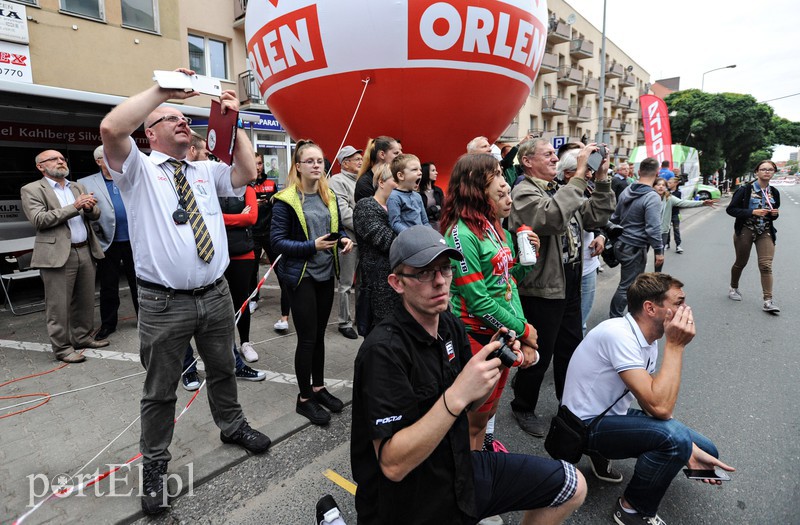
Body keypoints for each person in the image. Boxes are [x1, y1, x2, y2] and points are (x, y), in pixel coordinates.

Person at [99, 70, 271, 514]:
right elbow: (111, 129)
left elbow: (247, 172)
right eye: (169, 117)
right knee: (160, 391)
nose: (181, 121)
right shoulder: (136, 169)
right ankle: (155, 465)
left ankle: (232, 426)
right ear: (150, 132)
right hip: (163, 302)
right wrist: (161, 90)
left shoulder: (204, 170)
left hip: (214, 295)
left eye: (183, 116)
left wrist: (235, 124)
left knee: (222, 370)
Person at [351, 225, 586, 525]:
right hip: (409, 501)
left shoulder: (449, 324)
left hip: (460, 469)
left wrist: (492, 366)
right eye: (424, 273)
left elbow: (474, 406)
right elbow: (393, 465)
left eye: (445, 269)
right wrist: (458, 394)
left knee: (572, 485)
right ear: (397, 283)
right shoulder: (383, 351)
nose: (439, 281)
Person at [562, 273, 734, 525]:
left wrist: (690, 449)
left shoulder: (648, 339)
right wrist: (675, 346)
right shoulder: (618, 334)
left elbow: (649, 401)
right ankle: (632, 508)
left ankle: (606, 455)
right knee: (674, 439)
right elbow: (660, 407)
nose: (685, 309)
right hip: (582, 425)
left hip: (609, 416)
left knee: (705, 450)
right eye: (678, 302)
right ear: (651, 308)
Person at [507, 139, 614, 439]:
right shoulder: (524, 190)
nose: (556, 158)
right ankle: (522, 405)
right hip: (543, 286)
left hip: (570, 279)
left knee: (571, 349)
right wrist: (580, 174)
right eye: (549, 154)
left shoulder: (558, 189)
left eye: (556, 155)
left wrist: (602, 178)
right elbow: (550, 218)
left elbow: (596, 217)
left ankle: (570, 406)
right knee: (541, 350)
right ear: (527, 161)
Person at [441, 153, 540, 455]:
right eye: (495, 174)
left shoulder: (496, 229)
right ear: (473, 182)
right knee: (472, 416)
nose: (503, 182)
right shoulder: (460, 233)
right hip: (475, 338)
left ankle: (479, 462)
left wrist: (529, 257)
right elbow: (479, 301)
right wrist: (524, 330)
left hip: (501, 336)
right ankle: (469, 476)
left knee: (489, 409)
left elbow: (508, 283)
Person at [271, 139, 354, 426]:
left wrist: (342, 238)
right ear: (298, 166)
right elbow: (277, 242)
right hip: (301, 276)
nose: (317, 165)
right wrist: (311, 246)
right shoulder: (286, 199)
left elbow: (337, 228)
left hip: (324, 273)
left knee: (318, 335)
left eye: (320, 161)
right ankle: (304, 398)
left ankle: (318, 388)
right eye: (310, 161)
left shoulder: (327, 194)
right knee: (307, 338)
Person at [21, 150, 108, 363]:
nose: (60, 161)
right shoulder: (32, 189)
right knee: (58, 305)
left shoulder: (77, 186)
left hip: (85, 249)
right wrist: (75, 206)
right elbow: (40, 219)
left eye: (62, 158)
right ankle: (62, 348)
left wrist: (89, 208)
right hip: (57, 254)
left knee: (86, 299)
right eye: (54, 159)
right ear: (41, 166)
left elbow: (95, 215)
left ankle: (82, 337)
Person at [78, 145, 138, 341]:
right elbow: (83, 212)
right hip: (107, 241)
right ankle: (108, 324)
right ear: (99, 161)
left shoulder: (129, 178)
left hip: (134, 240)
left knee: (139, 283)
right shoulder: (84, 183)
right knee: (108, 286)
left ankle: (145, 319)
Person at [555, 152, 607, 334]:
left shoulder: (589, 189)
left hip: (588, 266)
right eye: (586, 169)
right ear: (568, 173)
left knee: (580, 323)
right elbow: (556, 217)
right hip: (564, 271)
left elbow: (597, 218)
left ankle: (576, 359)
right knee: (562, 324)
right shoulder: (555, 192)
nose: (590, 175)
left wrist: (600, 235)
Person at [609, 157, 663, 318]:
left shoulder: (628, 189)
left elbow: (615, 217)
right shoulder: (652, 197)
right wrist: (659, 251)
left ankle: (627, 317)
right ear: (657, 173)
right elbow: (653, 228)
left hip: (622, 244)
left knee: (629, 284)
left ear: (639, 172)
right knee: (628, 286)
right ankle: (615, 319)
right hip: (634, 247)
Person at [726, 160, 781, 313]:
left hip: (765, 231)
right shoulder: (745, 190)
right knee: (741, 262)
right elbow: (731, 210)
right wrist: (751, 212)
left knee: (766, 265)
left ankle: (768, 301)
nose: (767, 172)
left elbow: (773, 213)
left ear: (774, 172)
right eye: (763, 169)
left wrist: (774, 214)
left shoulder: (774, 192)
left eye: (770, 169)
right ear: (757, 172)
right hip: (746, 229)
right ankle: (733, 287)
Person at [352, 165, 400, 335]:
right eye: (396, 180)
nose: (401, 185)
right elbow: (387, 241)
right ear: (381, 181)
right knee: (380, 340)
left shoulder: (402, 207)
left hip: (400, 287)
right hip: (379, 287)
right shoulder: (366, 207)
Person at [251, 152, 291, 331]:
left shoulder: (271, 184)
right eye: (255, 164)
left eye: (259, 163)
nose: (258, 167)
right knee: (252, 270)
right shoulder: (245, 185)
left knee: (280, 269)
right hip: (252, 232)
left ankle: (287, 306)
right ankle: (253, 299)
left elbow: (277, 207)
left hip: (269, 233)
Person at [328, 145, 363, 340]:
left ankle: (360, 318)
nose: (360, 161)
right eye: (355, 159)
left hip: (364, 239)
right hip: (349, 240)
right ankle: (344, 322)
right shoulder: (337, 181)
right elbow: (343, 212)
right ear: (345, 163)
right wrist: (367, 225)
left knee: (362, 284)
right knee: (346, 283)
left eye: (360, 158)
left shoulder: (362, 180)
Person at [653, 177, 714, 272]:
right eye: (658, 185)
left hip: (662, 231)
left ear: (666, 187)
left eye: (663, 185)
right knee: (641, 257)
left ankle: (656, 276)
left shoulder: (669, 198)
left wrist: (702, 203)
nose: (661, 187)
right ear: (653, 187)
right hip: (649, 231)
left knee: (659, 257)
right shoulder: (649, 197)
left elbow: (684, 203)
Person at [387, 153, 428, 234]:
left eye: (420, 169)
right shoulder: (394, 197)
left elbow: (425, 221)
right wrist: (410, 235)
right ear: (401, 176)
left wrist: (431, 234)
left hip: (423, 238)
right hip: (408, 241)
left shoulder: (417, 196)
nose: (420, 173)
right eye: (414, 169)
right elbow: (395, 223)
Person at [354, 136, 401, 202]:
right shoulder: (364, 184)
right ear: (382, 154)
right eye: (396, 153)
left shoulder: (397, 176)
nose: (401, 156)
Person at [418, 162, 443, 232]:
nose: (436, 173)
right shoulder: (418, 193)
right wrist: (432, 210)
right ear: (426, 172)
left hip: (440, 225)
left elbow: (444, 208)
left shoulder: (438, 191)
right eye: (433, 170)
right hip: (426, 227)